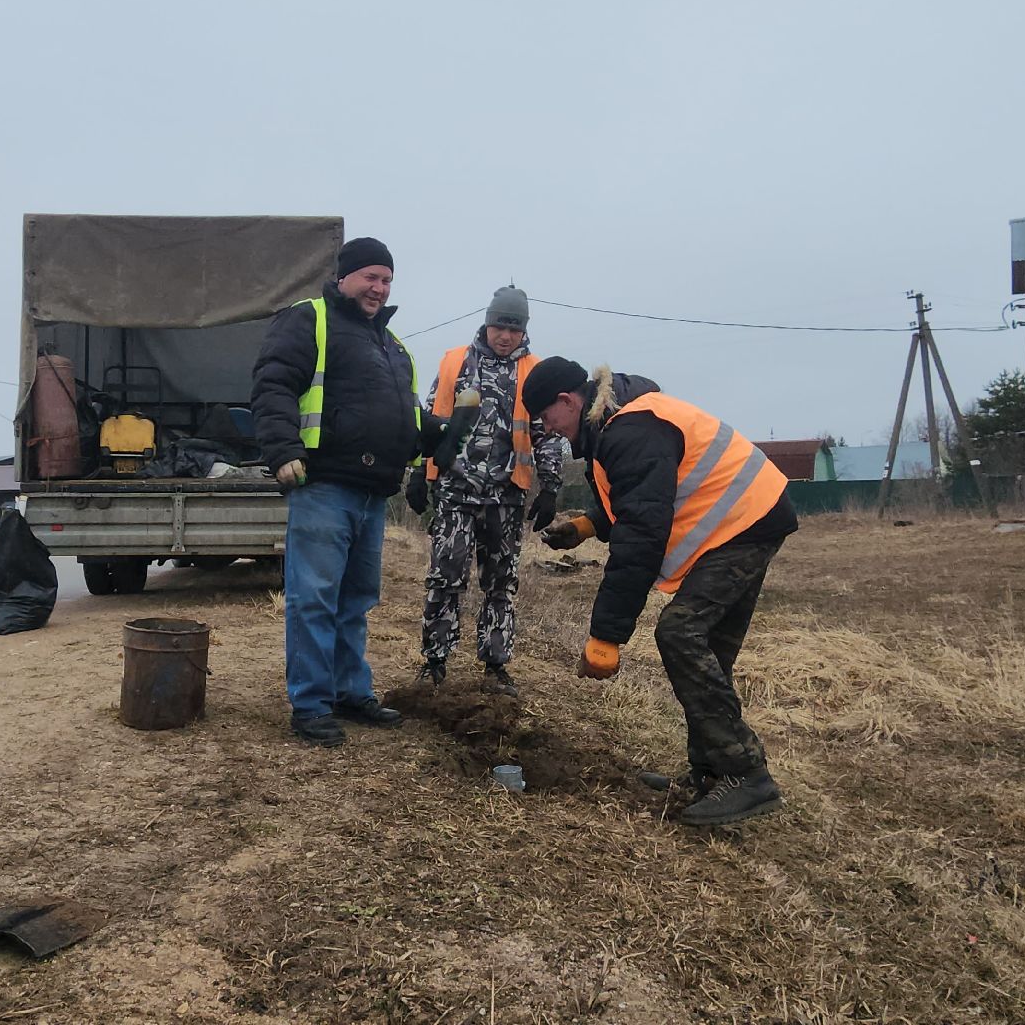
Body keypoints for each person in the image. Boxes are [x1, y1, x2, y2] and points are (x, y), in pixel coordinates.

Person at [521, 359, 798, 826]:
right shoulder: (620, 416)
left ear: (568, 401)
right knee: (705, 647)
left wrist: (607, 637)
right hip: (752, 517)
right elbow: (642, 496)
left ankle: (747, 776)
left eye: (548, 421)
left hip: (745, 525)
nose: (551, 432)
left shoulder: (629, 430)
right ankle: (711, 773)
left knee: (680, 633)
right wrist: (589, 525)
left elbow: (643, 535)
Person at [250, 237, 440, 747]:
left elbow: (407, 417)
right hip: (324, 484)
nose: (379, 288)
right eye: (370, 277)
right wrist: (281, 448)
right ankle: (311, 705)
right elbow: (273, 383)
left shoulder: (393, 347)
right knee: (314, 598)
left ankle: (350, 690)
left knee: (356, 600)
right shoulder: (309, 318)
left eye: (387, 280)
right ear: (344, 278)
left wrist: (435, 436)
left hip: (374, 491)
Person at [405, 286, 566, 696]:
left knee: (500, 584)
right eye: (499, 325)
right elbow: (430, 420)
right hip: (455, 490)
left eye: (514, 328)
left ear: (524, 330)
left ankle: (495, 666)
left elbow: (546, 432)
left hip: (506, 495)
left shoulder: (536, 371)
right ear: (487, 322)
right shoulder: (455, 361)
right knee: (444, 576)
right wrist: (418, 473)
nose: (505, 335)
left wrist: (550, 485)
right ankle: (435, 662)